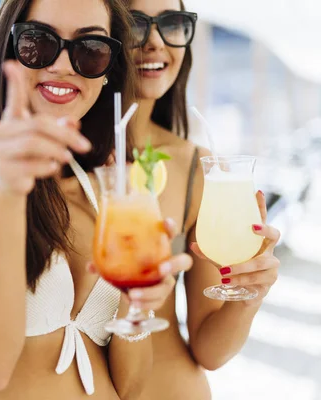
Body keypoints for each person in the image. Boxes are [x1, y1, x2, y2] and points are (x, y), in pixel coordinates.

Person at [0, 0, 193, 398]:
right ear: (8, 48)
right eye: (39, 42)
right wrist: (7, 193)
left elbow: (131, 386)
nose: (62, 64)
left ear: (107, 71)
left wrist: (138, 306)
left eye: (90, 49)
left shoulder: (103, 188)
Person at [113, 1, 282, 399]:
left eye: (172, 24)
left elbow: (210, 350)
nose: (155, 42)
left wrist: (248, 298)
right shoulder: (56, 159)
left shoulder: (198, 167)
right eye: (135, 25)